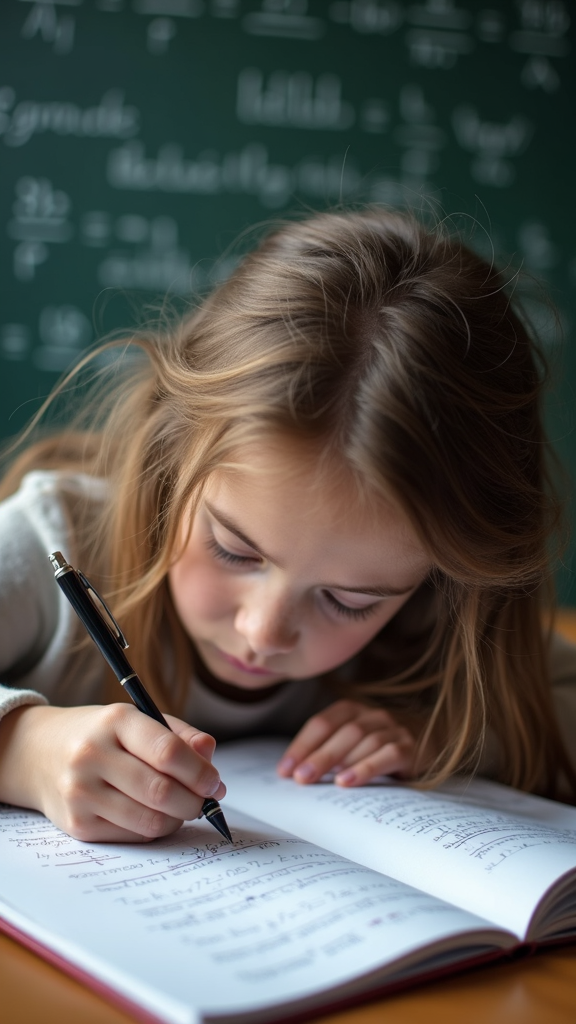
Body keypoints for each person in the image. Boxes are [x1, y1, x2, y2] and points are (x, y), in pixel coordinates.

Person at [0, 207, 575, 845]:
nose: (263, 632)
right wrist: (21, 749)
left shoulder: (437, 616)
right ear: (174, 449)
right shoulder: (50, 542)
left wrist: (447, 735)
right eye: (233, 550)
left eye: (348, 601)